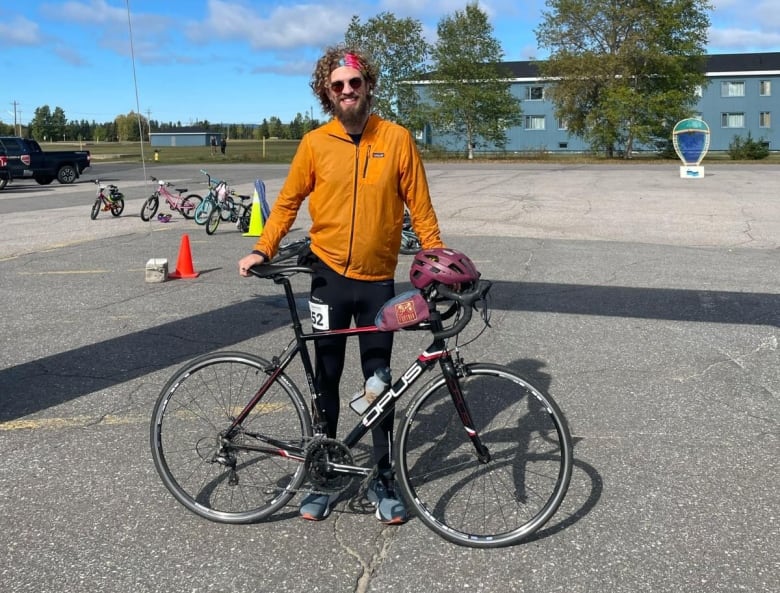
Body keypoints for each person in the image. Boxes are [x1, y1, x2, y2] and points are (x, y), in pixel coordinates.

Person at [238, 45, 445, 525]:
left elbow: (422, 207)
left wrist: (435, 258)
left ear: (369, 85)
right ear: (326, 93)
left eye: (355, 82)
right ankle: (324, 476)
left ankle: (382, 477)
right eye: (338, 85)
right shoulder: (315, 143)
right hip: (327, 279)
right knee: (326, 380)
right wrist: (263, 249)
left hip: (377, 283)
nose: (347, 91)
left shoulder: (396, 139)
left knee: (379, 382)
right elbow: (287, 203)